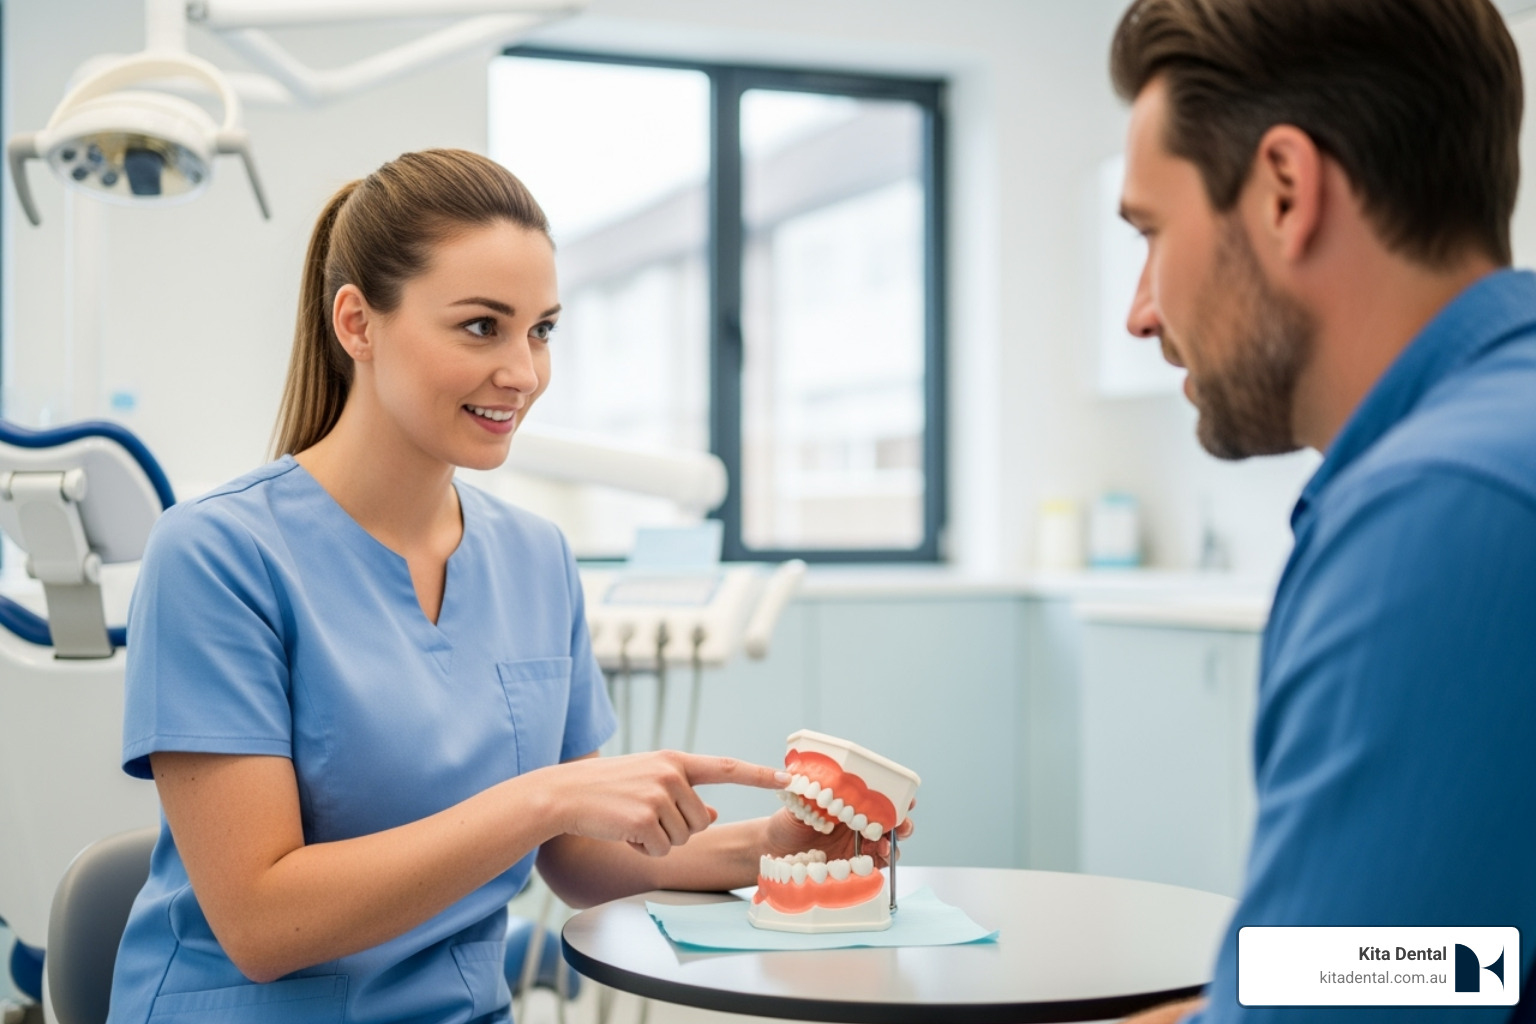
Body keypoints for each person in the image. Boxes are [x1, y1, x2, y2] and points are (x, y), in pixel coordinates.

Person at [105, 149, 905, 1024]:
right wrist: (542, 797)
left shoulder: (535, 558)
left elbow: (577, 856)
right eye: (482, 326)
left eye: (543, 329)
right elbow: (262, 923)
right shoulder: (217, 556)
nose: (523, 372)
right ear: (357, 324)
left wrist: (777, 848)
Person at [1108, 1, 1536, 1021]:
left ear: (1286, 192)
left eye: (1154, 233)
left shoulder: (1441, 515)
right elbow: (1445, 962)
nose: (1141, 311)